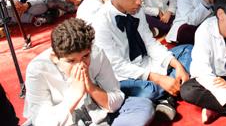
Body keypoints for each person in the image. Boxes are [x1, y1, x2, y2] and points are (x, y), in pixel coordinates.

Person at [93, 0, 190, 121]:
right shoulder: (101, 21)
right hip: (123, 76)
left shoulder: (136, 10)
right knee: (148, 90)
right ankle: (170, 92)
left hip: (146, 64)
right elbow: (116, 65)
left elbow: (150, 43)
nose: (139, 2)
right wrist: (157, 78)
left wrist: (176, 65)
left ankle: (168, 94)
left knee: (187, 51)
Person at [24, 18, 155, 126]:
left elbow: (117, 99)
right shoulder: (38, 69)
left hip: (99, 114)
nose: (81, 65)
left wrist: (91, 88)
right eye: (71, 61)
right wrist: (74, 96)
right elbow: (41, 122)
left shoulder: (97, 54)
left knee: (144, 105)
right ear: (55, 57)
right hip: (64, 120)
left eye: (85, 57)